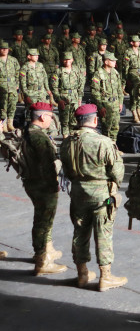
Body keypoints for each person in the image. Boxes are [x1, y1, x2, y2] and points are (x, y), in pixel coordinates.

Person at [60, 103, 126, 291]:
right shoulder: (103, 142)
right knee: (103, 234)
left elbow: (65, 168)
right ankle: (105, 276)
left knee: (80, 233)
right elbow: (117, 172)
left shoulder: (67, 142)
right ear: (95, 120)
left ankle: (82, 274)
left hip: (78, 193)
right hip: (101, 195)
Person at [19, 102, 68, 275]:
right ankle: (41, 261)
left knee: (43, 218)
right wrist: (54, 184)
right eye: (49, 116)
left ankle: (46, 249)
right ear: (42, 117)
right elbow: (47, 164)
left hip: (32, 181)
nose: (51, 120)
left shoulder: (29, 131)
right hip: (42, 184)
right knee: (43, 221)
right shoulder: (39, 137)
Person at [91, 53, 124, 141]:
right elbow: (95, 92)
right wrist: (100, 106)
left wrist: (120, 102)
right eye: (112, 60)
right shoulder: (98, 74)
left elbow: (119, 90)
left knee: (115, 127)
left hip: (115, 104)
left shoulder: (115, 72)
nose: (114, 62)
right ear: (106, 62)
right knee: (106, 128)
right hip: (106, 104)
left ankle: (113, 147)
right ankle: (106, 148)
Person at [50, 51, 85, 135]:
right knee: (64, 120)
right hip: (63, 97)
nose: (67, 61)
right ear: (62, 60)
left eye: (69, 59)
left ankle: (72, 137)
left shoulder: (77, 70)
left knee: (74, 120)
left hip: (75, 97)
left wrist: (80, 98)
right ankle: (65, 137)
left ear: (72, 60)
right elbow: (54, 87)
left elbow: (81, 84)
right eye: (65, 60)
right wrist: (59, 99)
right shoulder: (58, 71)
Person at [0, 41, 21, 131]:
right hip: (1, 87)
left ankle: (10, 123)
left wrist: (17, 84)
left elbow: (18, 73)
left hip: (12, 86)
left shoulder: (13, 60)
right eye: (2, 48)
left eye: (6, 49)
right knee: (2, 106)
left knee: (12, 105)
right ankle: (3, 124)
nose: (4, 50)